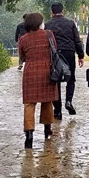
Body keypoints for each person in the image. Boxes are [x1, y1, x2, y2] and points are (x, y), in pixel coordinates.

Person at [17, 12, 59, 149]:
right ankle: (47, 128)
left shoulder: (23, 39)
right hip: (47, 71)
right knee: (47, 101)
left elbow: (22, 57)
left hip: (30, 72)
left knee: (29, 104)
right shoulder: (48, 34)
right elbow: (55, 50)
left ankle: (29, 135)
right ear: (39, 23)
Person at [44, 2, 84, 119]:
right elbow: (77, 40)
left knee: (55, 81)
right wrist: (80, 55)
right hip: (69, 53)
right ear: (63, 11)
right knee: (70, 79)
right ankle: (68, 101)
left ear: (51, 12)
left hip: (54, 55)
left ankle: (57, 111)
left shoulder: (47, 25)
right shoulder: (70, 23)